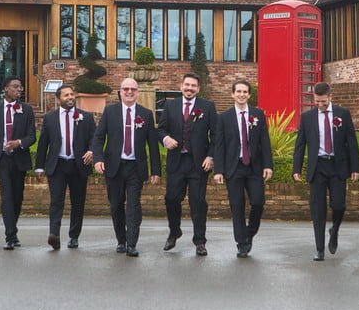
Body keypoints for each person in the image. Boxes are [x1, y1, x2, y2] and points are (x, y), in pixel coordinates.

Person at [92, 77, 161, 257]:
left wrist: (156, 170)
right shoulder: (110, 112)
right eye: (126, 89)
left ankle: (131, 243)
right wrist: (98, 159)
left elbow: (153, 145)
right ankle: (121, 240)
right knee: (116, 205)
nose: (129, 92)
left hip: (135, 167)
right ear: (120, 92)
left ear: (137, 92)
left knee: (133, 205)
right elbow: (98, 138)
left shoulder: (146, 114)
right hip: (114, 166)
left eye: (133, 89)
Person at [292, 82, 359, 261]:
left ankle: (335, 228)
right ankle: (319, 248)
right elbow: (300, 145)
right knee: (317, 209)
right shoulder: (307, 118)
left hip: (338, 166)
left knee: (339, 205)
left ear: (330, 97)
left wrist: (355, 167)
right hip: (318, 167)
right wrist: (296, 168)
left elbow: (351, 142)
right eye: (317, 101)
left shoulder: (343, 114)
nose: (320, 105)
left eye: (323, 101)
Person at [158, 73, 218, 255]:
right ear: (181, 86)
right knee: (171, 199)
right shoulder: (170, 105)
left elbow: (216, 135)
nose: (189, 88)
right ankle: (174, 231)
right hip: (176, 162)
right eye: (187, 85)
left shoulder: (207, 107)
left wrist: (211, 156)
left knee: (198, 203)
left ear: (198, 89)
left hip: (198, 164)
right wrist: (166, 138)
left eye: (193, 85)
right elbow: (160, 129)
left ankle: (200, 241)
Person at [213, 79, 273, 257]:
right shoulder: (223, 118)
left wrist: (268, 165)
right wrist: (218, 170)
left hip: (254, 168)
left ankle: (250, 233)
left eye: (245, 92)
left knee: (258, 202)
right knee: (237, 206)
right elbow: (219, 145)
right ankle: (241, 242)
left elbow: (265, 142)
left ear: (249, 95)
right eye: (238, 91)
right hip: (234, 168)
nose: (241, 95)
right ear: (232, 94)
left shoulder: (258, 115)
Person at [34, 84, 97, 250]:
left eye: (71, 94)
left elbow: (94, 139)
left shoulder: (86, 117)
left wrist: (91, 151)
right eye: (66, 95)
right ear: (59, 99)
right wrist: (39, 166)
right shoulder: (50, 118)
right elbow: (43, 144)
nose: (70, 97)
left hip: (79, 165)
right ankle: (54, 234)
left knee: (78, 202)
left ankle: (74, 236)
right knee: (56, 200)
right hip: (58, 165)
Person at [0, 76, 36, 250]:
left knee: (17, 196)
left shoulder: (26, 110)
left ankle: (13, 231)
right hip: (2, 159)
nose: (19, 89)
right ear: (5, 89)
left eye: (20, 87)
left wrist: (19, 143)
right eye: (15, 87)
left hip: (19, 158)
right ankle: (10, 235)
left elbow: (32, 137)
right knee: (6, 196)